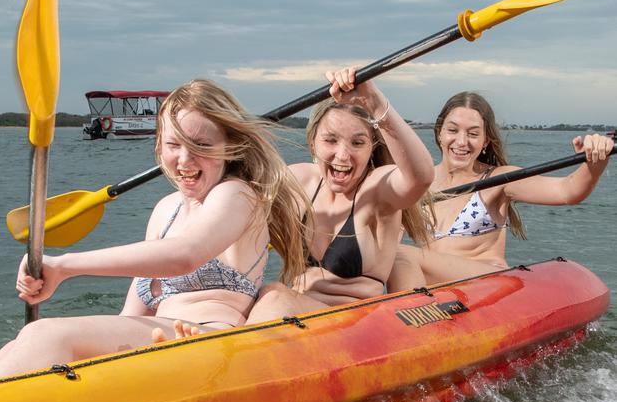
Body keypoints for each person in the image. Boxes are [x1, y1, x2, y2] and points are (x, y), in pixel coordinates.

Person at [0, 79, 311, 383]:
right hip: (160, 341)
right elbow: (130, 317)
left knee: (47, 335)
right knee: (29, 337)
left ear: (228, 146)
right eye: (174, 145)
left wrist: (64, 266)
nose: (185, 160)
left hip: (211, 341)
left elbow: (185, 255)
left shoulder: (236, 194)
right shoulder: (165, 210)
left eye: (201, 145)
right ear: (158, 146)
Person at [243, 66, 435, 324]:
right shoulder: (299, 180)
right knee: (266, 293)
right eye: (330, 140)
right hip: (302, 322)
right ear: (312, 142)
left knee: (274, 294)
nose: (342, 155)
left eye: (357, 143)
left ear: (371, 148)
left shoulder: (376, 189)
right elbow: (237, 195)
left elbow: (420, 177)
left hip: (355, 327)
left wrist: (375, 102)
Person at [387, 91, 614, 292]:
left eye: (473, 134)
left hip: (488, 283)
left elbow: (567, 191)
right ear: (439, 133)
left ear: (485, 140)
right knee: (391, 253)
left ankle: (408, 329)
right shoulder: (419, 183)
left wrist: (594, 163)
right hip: (438, 293)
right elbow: (388, 239)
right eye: (453, 130)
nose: (461, 141)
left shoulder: (498, 179)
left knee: (400, 254)